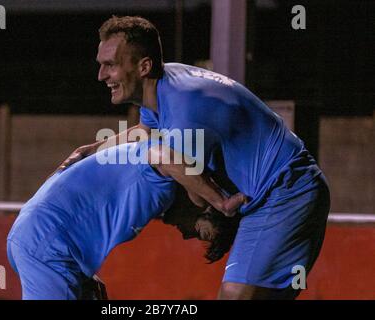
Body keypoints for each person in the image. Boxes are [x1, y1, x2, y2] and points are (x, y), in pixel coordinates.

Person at [56, 16, 331, 299]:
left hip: (287, 191)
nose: (101, 75)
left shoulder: (184, 106)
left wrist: (220, 203)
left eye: (110, 65)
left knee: (236, 296)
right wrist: (93, 149)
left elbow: (189, 188)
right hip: (273, 193)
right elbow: (147, 130)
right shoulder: (163, 86)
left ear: (144, 66)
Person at [7, 141, 245, 299]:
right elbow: (163, 154)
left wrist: (80, 273)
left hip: (42, 242)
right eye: (199, 232)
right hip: (46, 247)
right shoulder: (160, 183)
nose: (185, 234)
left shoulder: (143, 177)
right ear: (202, 207)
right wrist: (218, 201)